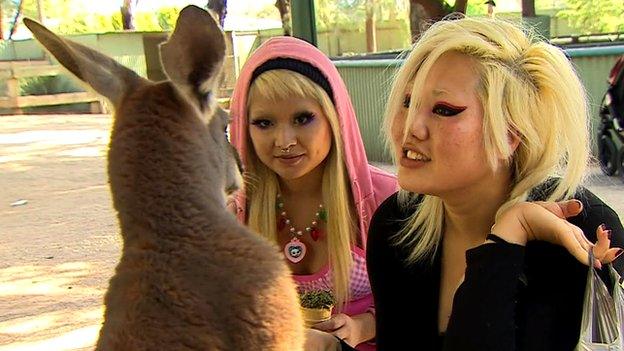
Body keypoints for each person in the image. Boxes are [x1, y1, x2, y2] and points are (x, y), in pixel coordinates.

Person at [321, 16, 624, 351]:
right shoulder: (397, 226)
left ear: (510, 134)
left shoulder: (583, 230)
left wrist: (507, 240)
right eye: (408, 102)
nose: (410, 128)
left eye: (443, 110)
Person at [228, 36, 397, 350]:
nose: (284, 140)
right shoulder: (236, 212)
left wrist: (363, 325)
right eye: (264, 123)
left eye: (302, 118)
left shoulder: (386, 199)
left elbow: (428, 307)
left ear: (335, 117)